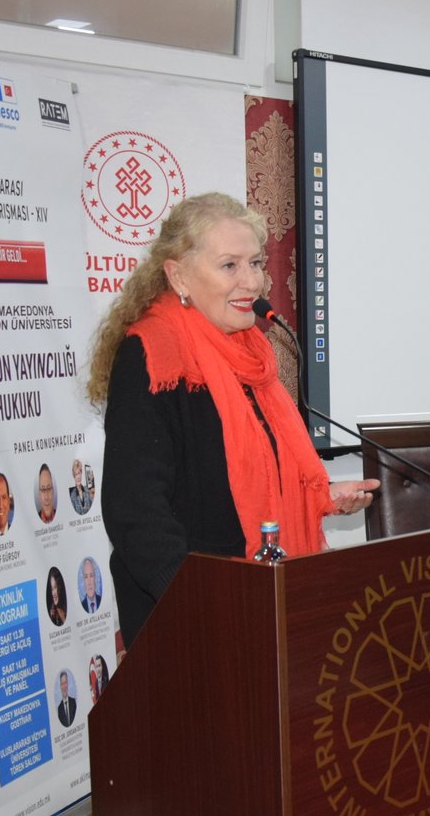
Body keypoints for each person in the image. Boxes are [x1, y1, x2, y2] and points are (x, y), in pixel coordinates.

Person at [87, 193, 377, 646]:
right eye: (230, 266)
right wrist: (200, 600)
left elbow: (257, 466)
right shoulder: (153, 355)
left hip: (263, 599)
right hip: (193, 617)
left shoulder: (251, 354)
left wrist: (319, 492)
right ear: (178, 275)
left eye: (256, 263)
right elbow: (134, 512)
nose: (252, 282)